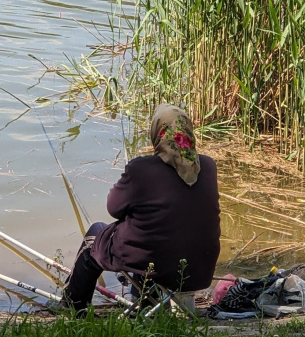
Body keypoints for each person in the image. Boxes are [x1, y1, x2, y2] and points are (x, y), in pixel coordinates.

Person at [60, 104, 221, 314]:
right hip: (200, 269)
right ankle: (147, 306)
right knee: (145, 232)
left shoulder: (141, 169)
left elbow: (113, 207)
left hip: (156, 263)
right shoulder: (208, 166)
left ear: (158, 132)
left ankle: (73, 306)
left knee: (96, 234)